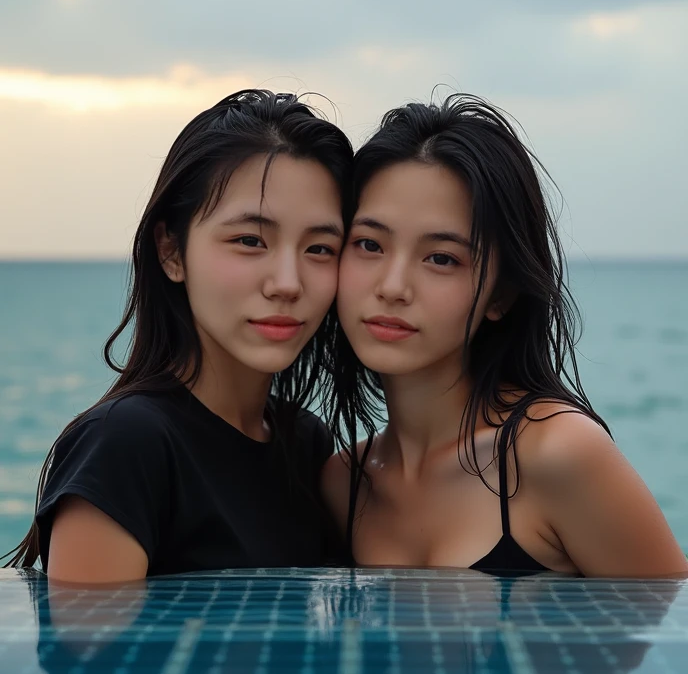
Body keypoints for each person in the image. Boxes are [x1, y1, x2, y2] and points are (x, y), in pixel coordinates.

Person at [323, 95, 688, 577]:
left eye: (442, 258)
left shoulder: (558, 454)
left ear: (502, 295)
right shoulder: (342, 482)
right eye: (369, 244)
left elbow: (673, 641)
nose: (392, 287)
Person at [3, 89, 352, 582]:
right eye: (250, 241)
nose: (288, 283)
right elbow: (89, 659)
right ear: (171, 250)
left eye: (319, 248)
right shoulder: (124, 446)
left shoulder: (306, 445)